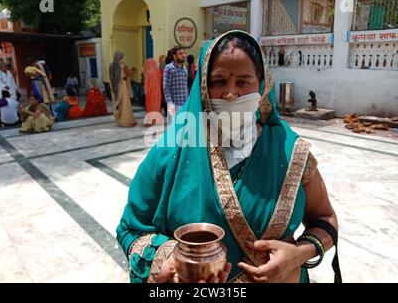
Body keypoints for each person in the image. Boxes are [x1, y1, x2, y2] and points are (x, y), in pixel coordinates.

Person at [116, 31, 340, 284]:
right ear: (202, 86)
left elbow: (325, 218)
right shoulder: (170, 152)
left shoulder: (290, 152)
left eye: (244, 82)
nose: (231, 94)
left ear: (262, 84)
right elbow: (131, 230)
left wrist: (300, 254)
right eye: (218, 82)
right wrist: (168, 260)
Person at [109, 51, 137, 127]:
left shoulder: (111, 65)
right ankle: (126, 121)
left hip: (115, 87)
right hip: (122, 86)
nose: (124, 58)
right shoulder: (122, 65)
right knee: (125, 104)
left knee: (118, 103)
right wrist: (132, 70)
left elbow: (111, 78)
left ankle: (119, 121)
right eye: (123, 57)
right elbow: (128, 73)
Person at [163, 46, 189, 124]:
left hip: (185, 104)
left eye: (184, 53)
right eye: (180, 54)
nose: (183, 55)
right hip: (174, 105)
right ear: (174, 56)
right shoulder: (169, 68)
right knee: (173, 130)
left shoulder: (184, 68)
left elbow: (185, 86)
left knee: (183, 130)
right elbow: (166, 87)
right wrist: (170, 103)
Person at [143, 59, 163, 126]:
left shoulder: (148, 73)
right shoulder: (157, 72)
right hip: (157, 94)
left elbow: (146, 85)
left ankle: (151, 121)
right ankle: (156, 120)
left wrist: (146, 92)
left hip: (150, 95)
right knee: (156, 107)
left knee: (150, 107)